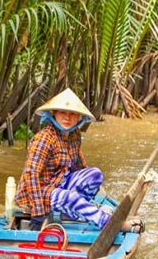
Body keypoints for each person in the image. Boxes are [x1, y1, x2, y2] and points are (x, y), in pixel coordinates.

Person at [15, 88, 141, 232]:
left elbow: (79, 165)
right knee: (69, 197)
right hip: (38, 193)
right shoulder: (44, 139)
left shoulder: (74, 134)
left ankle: (71, 213)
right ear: (54, 113)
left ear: (79, 117)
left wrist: (91, 187)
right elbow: (31, 176)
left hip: (58, 185)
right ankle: (110, 223)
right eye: (63, 112)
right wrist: (38, 213)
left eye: (73, 114)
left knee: (95, 174)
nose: (67, 118)